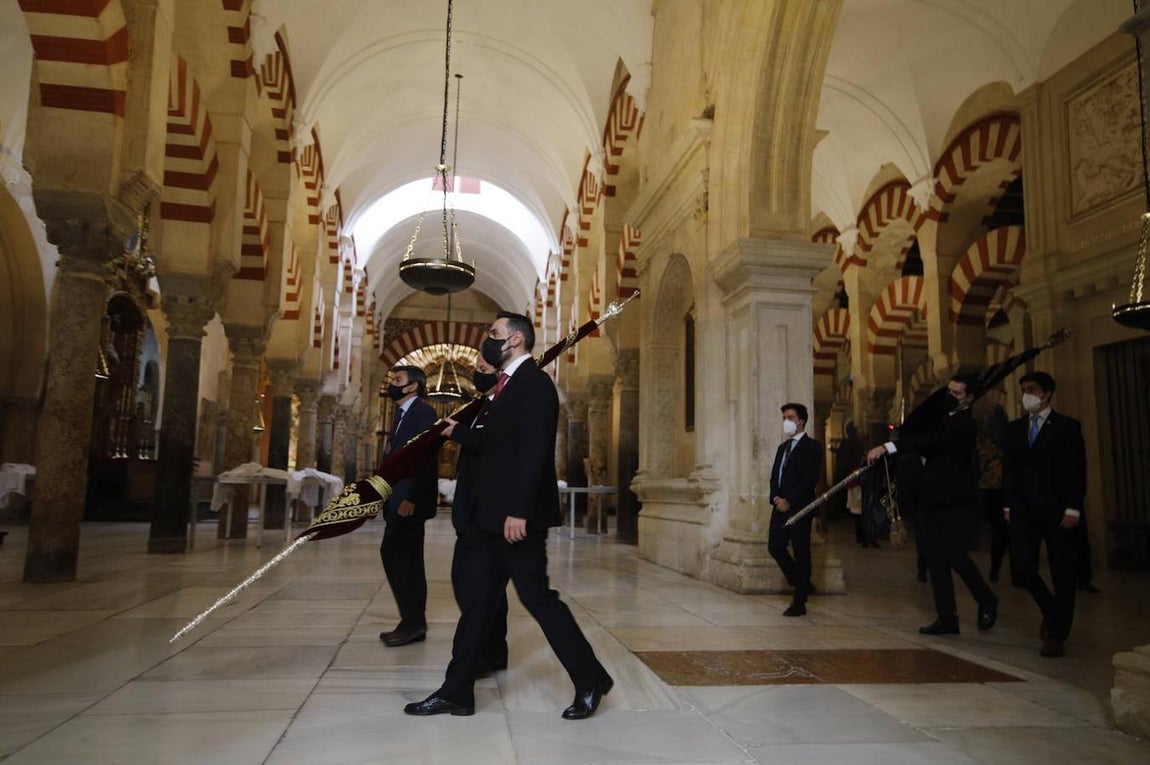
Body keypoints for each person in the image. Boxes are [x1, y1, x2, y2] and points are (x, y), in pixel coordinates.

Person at [404, 311, 612, 719]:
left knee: (539, 600)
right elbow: (496, 444)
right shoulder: (504, 387)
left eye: (494, 334)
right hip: (487, 519)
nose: (487, 340)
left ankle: (590, 679)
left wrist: (519, 511)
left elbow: (534, 453)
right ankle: (456, 691)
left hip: (515, 521)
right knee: (477, 605)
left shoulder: (533, 384)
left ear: (515, 340)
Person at [866, 374, 998, 635]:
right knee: (935, 558)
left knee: (956, 556)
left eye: (957, 394)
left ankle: (986, 599)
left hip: (955, 501)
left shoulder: (963, 424)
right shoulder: (944, 419)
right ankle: (947, 617)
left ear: (969, 398)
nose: (951, 397)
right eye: (949, 391)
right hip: (930, 500)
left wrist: (891, 446)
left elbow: (931, 443)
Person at [1003, 371, 1086, 658]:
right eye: (1023, 389)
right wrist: (1008, 505)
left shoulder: (1066, 427)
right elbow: (1010, 471)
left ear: (1047, 393)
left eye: (1032, 389)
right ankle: (1053, 612)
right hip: (1024, 511)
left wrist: (1073, 507)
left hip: (1058, 511)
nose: (1026, 393)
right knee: (1023, 569)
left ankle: (1056, 634)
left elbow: (1077, 470)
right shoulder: (1015, 429)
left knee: (1062, 571)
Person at [448, 355, 509, 676]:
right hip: (473, 510)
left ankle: (478, 659)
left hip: (487, 512)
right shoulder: (483, 405)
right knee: (486, 588)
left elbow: (497, 446)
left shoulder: (504, 404)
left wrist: (457, 432)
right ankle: (494, 652)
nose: (477, 375)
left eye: (484, 371)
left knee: (475, 587)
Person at [378, 365, 440, 648]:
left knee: (399, 556)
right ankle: (412, 622)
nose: (392, 384)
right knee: (404, 557)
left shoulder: (423, 413)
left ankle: (413, 622)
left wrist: (411, 498)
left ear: (413, 386)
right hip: (397, 496)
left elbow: (426, 459)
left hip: (409, 501)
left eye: (398, 380)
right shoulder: (401, 415)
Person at [767, 403, 823, 617]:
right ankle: (801, 581)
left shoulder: (813, 447)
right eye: (784, 418)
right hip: (779, 507)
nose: (786, 421)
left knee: (801, 553)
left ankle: (799, 602)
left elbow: (809, 480)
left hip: (799, 508)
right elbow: (774, 477)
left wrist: (789, 500)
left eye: (790, 417)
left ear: (801, 420)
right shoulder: (783, 448)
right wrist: (775, 497)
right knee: (775, 547)